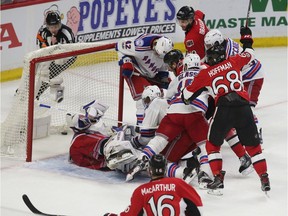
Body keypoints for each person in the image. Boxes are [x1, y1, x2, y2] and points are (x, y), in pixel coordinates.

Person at [181, 26, 270, 195]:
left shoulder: (205, 73)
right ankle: (264, 178)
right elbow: (250, 52)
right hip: (243, 107)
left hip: (224, 109)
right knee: (254, 147)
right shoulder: (234, 60)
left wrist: (199, 89)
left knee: (213, 145)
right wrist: (246, 36)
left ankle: (218, 179)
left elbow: (186, 95)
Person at [127, 53, 214, 189]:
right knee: (206, 146)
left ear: (185, 65)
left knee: (160, 140)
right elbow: (216, 93)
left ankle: (143, 158)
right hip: (194, 113)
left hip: (174, 112)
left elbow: (169, 97)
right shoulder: (206, 74)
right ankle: (205, 175)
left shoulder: (177, 78)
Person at [164, 49, 253, 177]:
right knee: (222, 128)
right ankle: (243, 156)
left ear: (177, 62)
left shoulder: (183, 69)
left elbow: (180, 95)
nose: (170, 67)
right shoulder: (200, 64)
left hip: (205, 101)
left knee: (206, 127)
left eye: (171, 64)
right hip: (214, 96)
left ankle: (200, 155)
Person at [204, 28, 265, 143]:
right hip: (243, 76)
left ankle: (256, 132)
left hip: (252, 77)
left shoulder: (229, 53)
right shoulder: (224, 44)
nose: (207, 48)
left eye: (208, 45)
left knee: (247, 106)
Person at [105, 154, 203, 216]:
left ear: (149, 170)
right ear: (165, 170)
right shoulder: (178, 183)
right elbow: (197, 205)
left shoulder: (141, 191)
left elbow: (131, 214)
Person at [116, 33, 173, 128]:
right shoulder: (141, 44)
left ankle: (153, 125)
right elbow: (119, 45)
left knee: (157, 99)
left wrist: (164, 78)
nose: (158, 56)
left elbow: (162, 67)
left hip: (151, 74)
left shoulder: (166, 50)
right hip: (136, 70)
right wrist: (127, 62)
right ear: (155, 46)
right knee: (144, 98)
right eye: (157, 54)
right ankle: (141, 127)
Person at [66, 100, 140, 173]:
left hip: (119, 159)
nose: (88, 121)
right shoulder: (78, 141)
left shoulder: (88, 133)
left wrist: (115, 132)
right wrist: (118, 133)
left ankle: (142, 154)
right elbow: (108, 148)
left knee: (128, 129)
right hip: (118, 161)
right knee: (119, 140)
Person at [35, 11, 76, 103]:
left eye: (56, 26)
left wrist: (56, 45)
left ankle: (36, 94)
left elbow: (70, 53)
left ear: (60, 24)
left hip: (66, 58)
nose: (54, 29)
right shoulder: (42, 32)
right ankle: (24, 90)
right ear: (47, 26)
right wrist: (51, 46)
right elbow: (41, 50)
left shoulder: (66, 33)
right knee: (33, 69)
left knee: (48, 74)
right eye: (51, 27)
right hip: (50, 54)